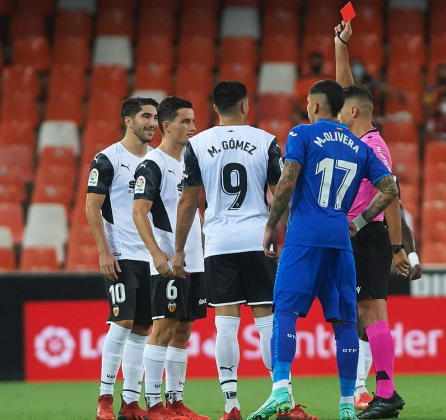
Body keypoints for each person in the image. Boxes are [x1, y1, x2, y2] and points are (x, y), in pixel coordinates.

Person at [247, 79, 400, 420]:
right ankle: (347, 404)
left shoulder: (302, 134)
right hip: (340, 240)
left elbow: (287, 181)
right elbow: (390, 188)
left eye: (307, 102)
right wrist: (360, 222)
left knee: (285, 311)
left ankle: (280, 389)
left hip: (303, 237)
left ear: (315, 106)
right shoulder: (360, 147)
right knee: (345, 322)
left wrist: (272, 226)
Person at [173, 81, 318, 420]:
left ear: (214, 109)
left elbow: (188, 200)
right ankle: (284, 401)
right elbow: (280, 189)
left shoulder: (196, 144)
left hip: (219, 242)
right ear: (245, 105)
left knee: (225, 324)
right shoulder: (265, 140)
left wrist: (179, 251)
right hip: (257, 238)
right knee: (268, 320)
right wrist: (279, 230)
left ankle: (230, 407)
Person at [334, 20, 410, 419]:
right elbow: (347, 88)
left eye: (342, 109)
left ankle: (386, 393)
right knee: (368, 314)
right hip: (364, 238)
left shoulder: (373, 146)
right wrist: (340, 45)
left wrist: (390, 243)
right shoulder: (357, 138)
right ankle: (383, 393)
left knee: (371, 313)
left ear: (354, 112)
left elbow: (390, 194)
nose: (336, 111)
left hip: (366, 237)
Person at [131, 96, 209, 420]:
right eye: (185, 121)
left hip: (194, 259)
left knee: (184, 329)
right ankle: (153, 405)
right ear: (166, 126)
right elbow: (138, 213)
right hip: (166, 262)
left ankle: (175, 401)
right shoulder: (152, 164)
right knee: (163, 329)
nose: (193, 127)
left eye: (193, 121)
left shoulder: (190, 163)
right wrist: (156, 254)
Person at [87, 97, 158, 420]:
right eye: (145, 116)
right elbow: (92, 206)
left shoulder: (157, 160)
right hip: (121, 254)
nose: (153, 123)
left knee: (143, 327)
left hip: (151, 257)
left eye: (156, 117)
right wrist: (103, 250)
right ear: (128, 121)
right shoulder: (107, 159)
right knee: (123, 320)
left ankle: (130, 402)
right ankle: (104, 399)